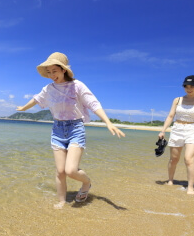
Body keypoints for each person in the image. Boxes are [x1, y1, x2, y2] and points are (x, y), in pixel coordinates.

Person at [17, 52, 125, 209]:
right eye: (48, 72)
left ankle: (86, 182)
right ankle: (62, 201)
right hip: (57, 130)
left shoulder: (77, 86)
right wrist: (23, 108)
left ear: (63, 70)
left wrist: (108, 122)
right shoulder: (48, 88)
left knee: (70, 170)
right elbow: (37, 99)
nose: (51, 75)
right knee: (60, 171)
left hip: (75, 128)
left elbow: (93, 103)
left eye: (54, 71)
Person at [158, 75, 194, 194]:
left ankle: (190, 188)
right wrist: (163, 130)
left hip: (192, 130)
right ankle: (170, 180)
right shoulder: (177, 100)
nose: (189, 89)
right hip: (177, 129)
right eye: (186, 86)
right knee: (174, 159)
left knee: (188, 159)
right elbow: (171, 116)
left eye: (192, 86)